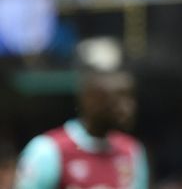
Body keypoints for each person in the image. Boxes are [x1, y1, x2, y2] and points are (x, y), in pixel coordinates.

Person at [15, 69, 148, 189]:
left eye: (131, 98)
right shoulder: (48, 149)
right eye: (118, 98)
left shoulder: (131, 150)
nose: (128, 108)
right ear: (90, 100)